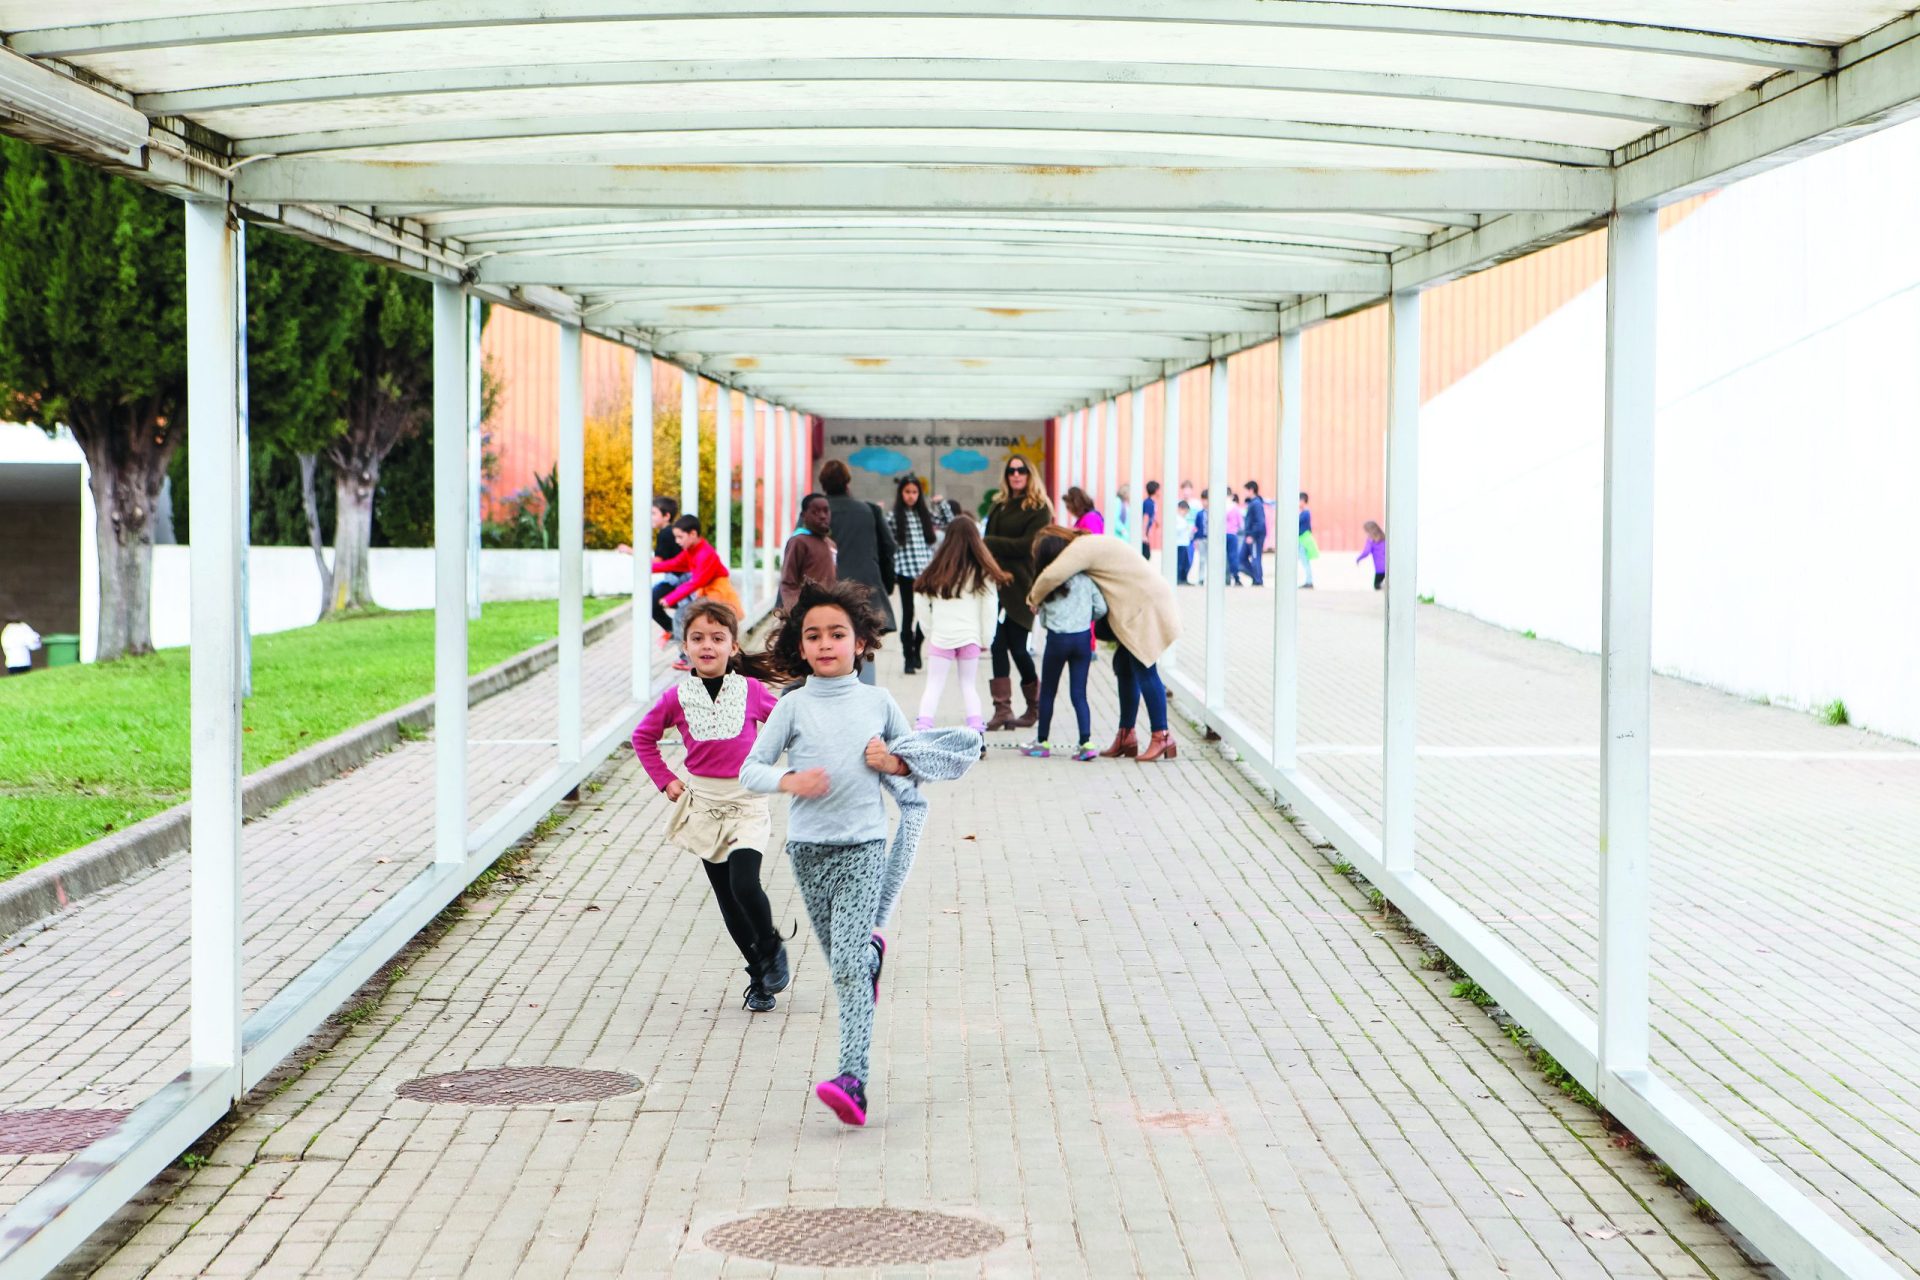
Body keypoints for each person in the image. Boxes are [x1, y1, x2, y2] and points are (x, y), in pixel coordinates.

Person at [737, 580, 914, 1128]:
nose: (825, 643)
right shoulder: (792, 706)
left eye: (838, 633)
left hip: (864, 845)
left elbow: (915, 764)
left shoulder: (878, 701)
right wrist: (790, 780)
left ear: (860, 642)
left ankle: (853, 1079)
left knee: (844, 969)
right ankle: (871, 957)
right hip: (808, 852)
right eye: (813, 635)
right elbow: (751, 769)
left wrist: (893, 764)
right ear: (800, 645)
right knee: (848, 959)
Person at [631, 601, 791, 1012]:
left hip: (746, 803)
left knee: (744, 883)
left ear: (733, 646)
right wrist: (665, 779)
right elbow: (642, 738)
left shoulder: (752, 692)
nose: (707, 646)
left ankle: (773, 948)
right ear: (684, 646)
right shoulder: (675, 697)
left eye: (717, 638)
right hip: (703, 805)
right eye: (698, 638)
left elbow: (789, 727)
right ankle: (759, 975)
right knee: (727, 899)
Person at [1028, 524, 1183, 763]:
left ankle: (1161, 736)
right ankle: (1126, 735)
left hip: (1143, 605)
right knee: (1123, 665)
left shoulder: (1080, 549)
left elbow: (1052, 575)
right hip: (1140, 602)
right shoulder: (1089, 544)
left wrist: (1033, 598)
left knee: (1145, 668)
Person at [912, 515, 1008, 734]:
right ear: (975, 539)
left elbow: (919, 599)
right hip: (970, 637)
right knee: (968, 686)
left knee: (934, 685)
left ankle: (922, 730)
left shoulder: (936, 569)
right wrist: (986, 639)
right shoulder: (983, 572)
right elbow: (990, 608)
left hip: (941, 637)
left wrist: (929, 630)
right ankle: (977, 734)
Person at [1021, 529, 1107, 762]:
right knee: (1079, 693)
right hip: (1082, 641)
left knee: (1048, 691)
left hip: (1057, 641)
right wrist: (1084, 618)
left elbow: (1043, 618)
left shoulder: (1046, 584)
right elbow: (1101, 609)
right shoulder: (1086, 579)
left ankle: (1042, 742)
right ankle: (1085, 742)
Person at [981, 454, 1053, 731]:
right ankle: (1003, 709)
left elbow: (1027, 546)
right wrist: (991, 547)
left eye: (1021, 470)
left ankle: (1036, 706)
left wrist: (991, 542)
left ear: (1029, 473)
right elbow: (986, 547)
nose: (1016, 475)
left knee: (1018, 648)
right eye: (1011, 470)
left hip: (1023, 585)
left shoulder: (1038, 508)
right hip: (996, 584)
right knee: (998, 645)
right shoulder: (999, 505)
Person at [819, 459, 897, 685]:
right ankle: (866, 700)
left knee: (828, 649)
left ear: (822, 483)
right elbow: (888, 547)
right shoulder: (868, 511)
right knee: (864, 649)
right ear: (847, 481)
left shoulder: (816, 512)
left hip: (827, 594)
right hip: (865, 593)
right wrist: (885, 583)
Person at [652, 516, 743, 656]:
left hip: (718, 594)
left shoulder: (705, 553)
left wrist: (670, 599)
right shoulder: (692, 550)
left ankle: (689, 656)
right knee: (685, 616)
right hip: (708, 593)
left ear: (693, 534)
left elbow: (696, 582)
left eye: (680, 537)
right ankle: (690, 655)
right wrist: (650, 567)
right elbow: (675, 564)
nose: (677, 541)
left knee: (684, 615)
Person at [890, 475, 938, 675]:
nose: (911, 496)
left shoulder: (925, 515)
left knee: (929, 613)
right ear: (901, 494)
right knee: (908, 614)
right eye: (907, 492)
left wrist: (941, 503)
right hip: (905, 572)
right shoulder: (893, 517)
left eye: (915, 492)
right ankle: (908, 657)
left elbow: (949, 520)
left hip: (926, 572)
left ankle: (917, 646)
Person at [779, 492, 837, 614]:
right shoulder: (798, 541)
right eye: (815, 511)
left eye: (826, 511)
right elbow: (788, 582)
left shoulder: (830, 544)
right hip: (805, 611)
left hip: (828, 609)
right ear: (803, 515)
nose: (822, 516)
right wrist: (795, 611)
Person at [646, 496, 685, 644]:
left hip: (679, 581)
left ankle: (675, 632)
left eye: (654, 513)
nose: (651, 517)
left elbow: (657, 563)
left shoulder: (666, 533)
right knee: (653, 601)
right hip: (677, 580)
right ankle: (674, 632)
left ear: (666, 516)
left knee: (650, 602)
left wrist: (631, 552)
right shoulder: (669, 532)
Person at [1240, 480, 1267, 586]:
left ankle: (1258, 580)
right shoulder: (1253, 503)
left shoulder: (1256, 504)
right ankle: (1256, 576)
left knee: (1255, 557)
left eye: (1246, 490)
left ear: (1251, 490)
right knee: (1241, 558)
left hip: (1255, 536)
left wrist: (1252, 535)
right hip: (1249, 535)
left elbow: (1260, 522)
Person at [1223, 492, 1245, 587]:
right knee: (1233, 556)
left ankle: (1225, 579)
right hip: (1232, 534)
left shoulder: (1221, 507)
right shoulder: (1235, 508)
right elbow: (1241, 524)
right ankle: (1236, 577)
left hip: (1222, 535)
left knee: (1223, 558)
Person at [1358, 520, 1387, 589]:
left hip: (1380, 568)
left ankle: (1385, 586)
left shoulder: (1371, 541)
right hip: (1387, 566)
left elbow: (1366, 552)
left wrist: (1359, 558)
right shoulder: (1384, 538)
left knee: (1376, 585)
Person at [1298, 491, 1319, 589]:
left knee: (1305, 562)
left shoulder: (1305, 513)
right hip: (1302, 540)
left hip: (1303, 541)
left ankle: (1309, 581)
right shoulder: (1303, 513)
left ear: (1302, 501)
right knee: (1305, 562)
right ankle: (1308, 581)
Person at [1189, 490, 1209, 585]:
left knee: (1212, 560)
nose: (1205, 502)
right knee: (1202, 559)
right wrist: (1196, 539)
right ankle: (1201, 578)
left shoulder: (1213, 513)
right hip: (1201, 538)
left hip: (1211, 539)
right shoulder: (1199, 514)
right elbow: (1196, 527)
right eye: (1203, 500)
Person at [1172, 500, 1193, 584]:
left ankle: (1184, 578)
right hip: (1179, 543)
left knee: (1185, 563)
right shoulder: (1176, 518)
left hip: (1185, 543)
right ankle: (1178, 578)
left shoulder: (1183, 519)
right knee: (1179, 563)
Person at [1141, 480, 1160, 559]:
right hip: (1144, 533)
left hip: (1146, 532)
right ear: (1156, 491)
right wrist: (1144, 535)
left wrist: (1156, 522)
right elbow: (1145, 517)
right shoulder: (1148, 503)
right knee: (1146, 556)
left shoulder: (1152, 502)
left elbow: (1152, 515)